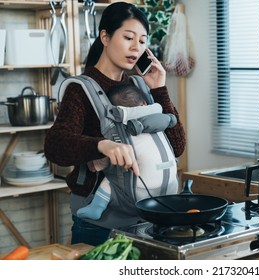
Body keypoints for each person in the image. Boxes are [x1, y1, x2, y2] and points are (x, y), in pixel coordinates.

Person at [44, 2, 186, 246]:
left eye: (142, 41)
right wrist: (102, 145)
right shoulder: (81, 89)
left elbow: (176, 147)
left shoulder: (140, 86)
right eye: (128, 37)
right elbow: (55, 146)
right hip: (100, 226)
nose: (136, 47)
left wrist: (160, 89)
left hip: (146, 220)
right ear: (105, 37)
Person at [76, 84, 178, 220]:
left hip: (137, 194)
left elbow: (101, 163)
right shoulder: (160, 119)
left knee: (110, 180)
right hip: (170, 188)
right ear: (144, 103)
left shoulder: (120, 130)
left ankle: (97, 207)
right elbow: (178, 148)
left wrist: (96, 164)